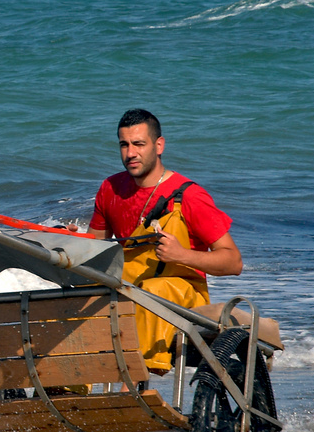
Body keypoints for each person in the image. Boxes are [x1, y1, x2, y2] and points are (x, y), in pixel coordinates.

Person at [86, 108, 242, 375]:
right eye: (124, 145)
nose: (131, 153)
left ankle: (131, 387)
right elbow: (92, 247)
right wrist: (66, 238)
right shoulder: (110, 189)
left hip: (183, 294)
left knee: (152, 291)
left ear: (159, 146)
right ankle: (66, 388)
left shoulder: (190, 195)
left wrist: (183, 255)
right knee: (80, 290)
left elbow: (233, 261)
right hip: (128, 287)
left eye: (139, 144)